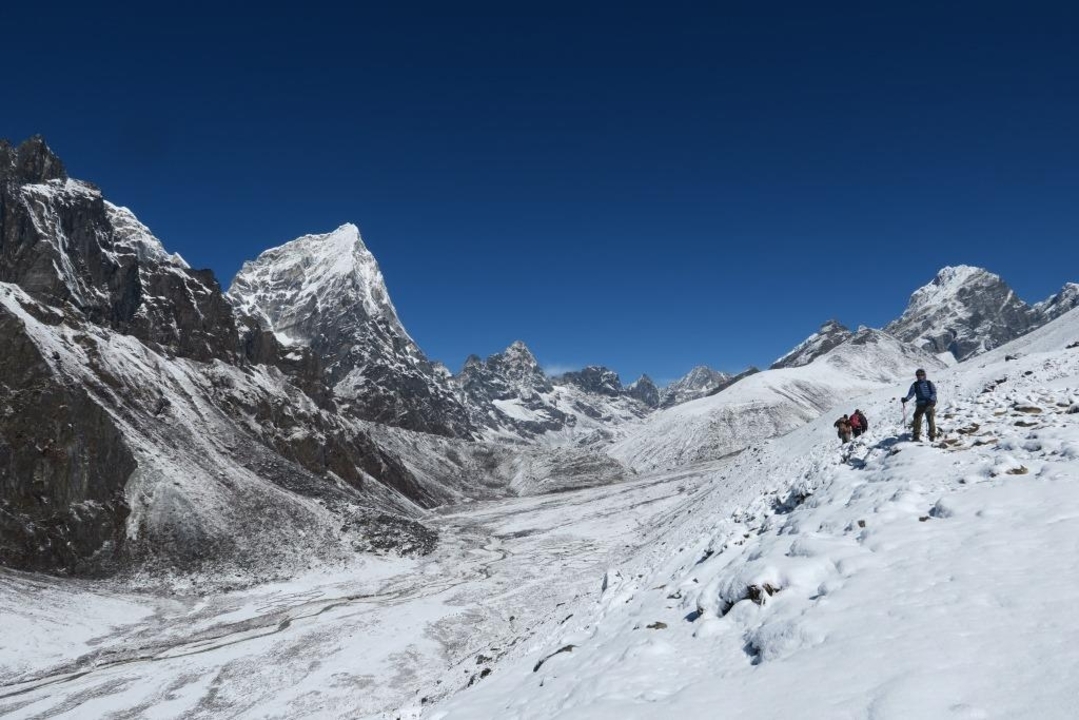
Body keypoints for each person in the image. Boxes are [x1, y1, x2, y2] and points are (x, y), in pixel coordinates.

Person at [901, 368, 937, 441]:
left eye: (921, 375)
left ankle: (932, 436)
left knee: (930, 417)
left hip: (929, 403)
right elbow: (911, 394)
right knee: (917, 417)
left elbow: (934, 392)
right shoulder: (915, 384)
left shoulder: (929, 383)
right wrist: (906, 399)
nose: (920, 376)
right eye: (918, 375)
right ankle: (916, 436)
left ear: (924, 375)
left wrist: (931, 399)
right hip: (920, 403)